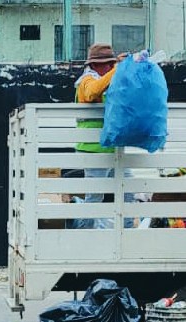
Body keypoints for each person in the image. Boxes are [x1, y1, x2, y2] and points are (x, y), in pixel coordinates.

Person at [71, 43, 121, 230]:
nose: (109, 67)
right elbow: (93, 92)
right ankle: (84, 238)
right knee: (95, 198)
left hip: (111, 148)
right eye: (107, 63)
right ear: (94, 65)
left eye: (112, 64)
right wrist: (117, 70)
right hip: (93, 149)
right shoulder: (86, 81)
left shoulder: (104, 80)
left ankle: (125, 237)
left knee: (129, 193)